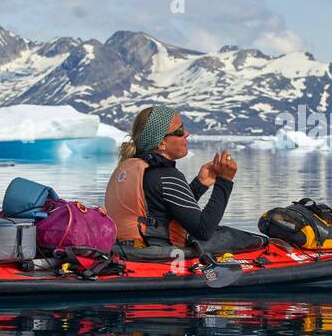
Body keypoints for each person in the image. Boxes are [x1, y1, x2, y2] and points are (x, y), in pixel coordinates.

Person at [105, 105, 257, 254]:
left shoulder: (128, 168)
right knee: (234, 237)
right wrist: (224, 181)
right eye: (179, 131)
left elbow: (160, 208)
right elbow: (204, 230)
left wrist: (200, 184)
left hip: (127, 251)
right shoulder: (165, 174)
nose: (187, 134)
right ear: (161, 143)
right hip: (159, 255)